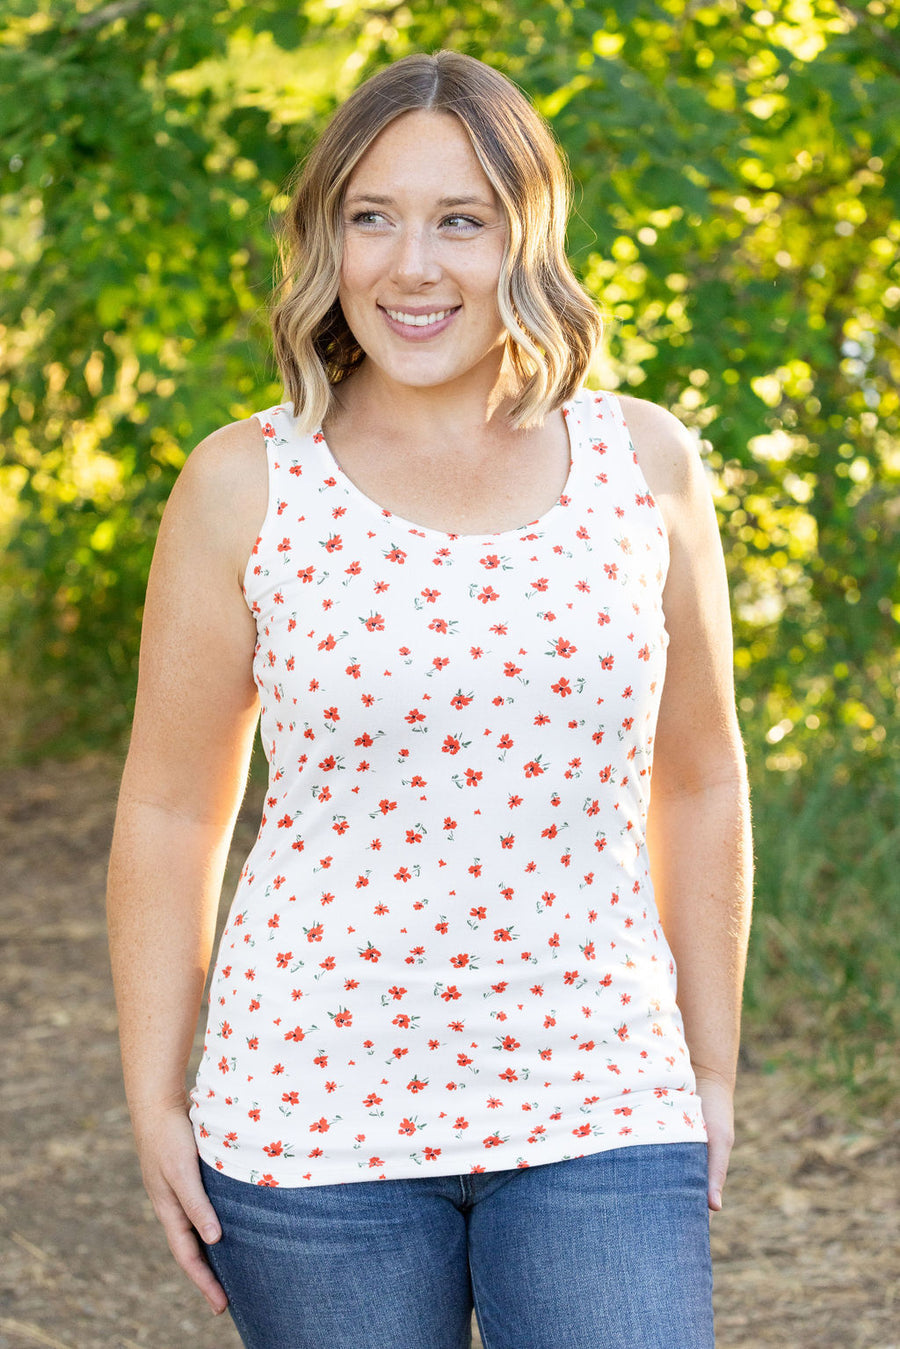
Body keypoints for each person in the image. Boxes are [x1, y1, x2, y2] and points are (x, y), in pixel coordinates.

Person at [107, 49, 752, 1349]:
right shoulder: (248, 482)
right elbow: (173, 809)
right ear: (324, 238)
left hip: (600, 1092)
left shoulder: (646, 465)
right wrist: (153, 1099)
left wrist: (710, 1068)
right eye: (372, 215)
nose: (413, 264)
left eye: (460, 219)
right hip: (310, 1112)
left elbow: (701, 776)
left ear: (527, 235)